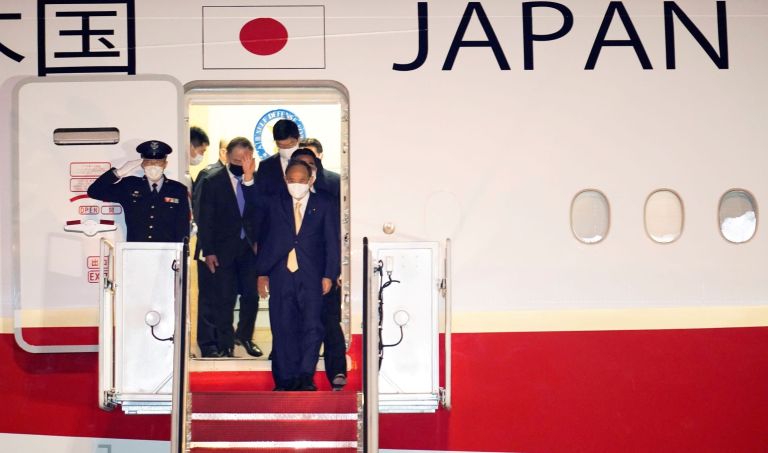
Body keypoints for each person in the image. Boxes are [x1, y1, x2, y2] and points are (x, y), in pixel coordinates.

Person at [243, 157, 339, 391]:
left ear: (311, 180)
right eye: (291, 180)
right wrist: (248, 178)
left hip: (312, 274)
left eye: (301, 180)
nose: (296, 184)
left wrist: (329, 274)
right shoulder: (276, 201)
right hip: (281, 272)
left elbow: (331, 241)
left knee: (312, 326)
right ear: (285, 180)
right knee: (282, 325)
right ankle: (284, 379)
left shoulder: (324, 203)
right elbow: (255, 202)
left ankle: (305, 376)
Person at [196, 137, 263, 358]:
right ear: (226, 156)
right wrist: (209, 251)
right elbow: (205, 218)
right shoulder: (212, 180)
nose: (239, 163)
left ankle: (245, 335)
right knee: (225, 298)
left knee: (251, 296)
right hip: (222, 250)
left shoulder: (257, 180)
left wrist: (249, 177)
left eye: (244, 159)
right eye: (236, 159)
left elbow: (260, 211)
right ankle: (225, 343)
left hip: (249, 249)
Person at [291, 148, 346, 390]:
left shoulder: (333, 185)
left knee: (329, 323)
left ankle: (336, 371)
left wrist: (334, 271)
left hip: (325, 270)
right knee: (296, 323)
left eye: (309, 165)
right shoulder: (286, 197)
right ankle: (297, 371)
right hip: (297, 274)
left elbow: (337, 234)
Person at [87, 140, 190, 243]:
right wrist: (119, 172)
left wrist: (181, 255)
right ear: (142, 164)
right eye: (149, 162)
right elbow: (94, 191)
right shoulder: (130, 185)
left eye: (158, 162)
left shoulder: (178, 190)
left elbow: (183, 227)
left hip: (168, 253)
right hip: (135, 250)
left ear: (165, 164)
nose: (153, 165)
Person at [192, 137, 228, 357]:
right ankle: (209, 344)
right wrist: (207, 247)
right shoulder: (209, 175)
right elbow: (201, 214)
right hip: (210, 247)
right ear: (224, 151)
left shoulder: (239, 177)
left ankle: (222, 342)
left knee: (222, 297)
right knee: (209, 298)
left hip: (228, 249)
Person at [253, 119, 300, 196]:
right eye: (281, 145)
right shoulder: (265, 166)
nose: (286, 149)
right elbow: (260, 197)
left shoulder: (310, 162)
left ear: (298, 139)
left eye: (290, 144)